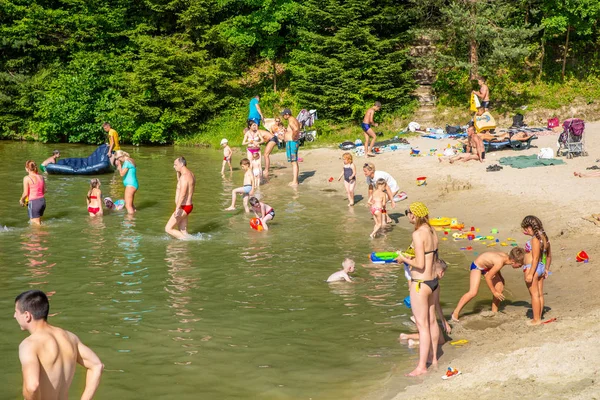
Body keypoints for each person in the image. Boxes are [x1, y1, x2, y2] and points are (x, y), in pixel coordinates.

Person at [14, 290, 103, 400]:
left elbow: (32, 386)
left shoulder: (29, 344)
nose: (14, 316)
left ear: (27, 315)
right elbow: (97, 365)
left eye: (16, 312)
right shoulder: (70, 337)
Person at [396, 202, 440, 376]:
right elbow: (431, 258)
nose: (408, 216)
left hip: (420, 283)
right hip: (433, 282)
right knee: (432, 321)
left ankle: (421, 366)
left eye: (408, 213)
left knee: (422, 326)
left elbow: (420, 264)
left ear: (413, 215)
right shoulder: (432, 231)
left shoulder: (417, 234)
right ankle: (434, 358)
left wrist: (403, 258)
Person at [451, 248, 525, 322]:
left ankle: (494, 312)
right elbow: (488, 277)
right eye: (520, 264)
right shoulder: (500, 261)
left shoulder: (506, 257)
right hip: (478, 266)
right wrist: (494, 292)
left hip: (488, 267)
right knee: (473, 292)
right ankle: (455, 313)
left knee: (500, 286)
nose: (521, 266)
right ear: (513, 261)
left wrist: (501, 278)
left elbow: (495, 267)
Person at [399, 259, 452, 345]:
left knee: (437, 338)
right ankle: (407, 337)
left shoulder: (423, 280)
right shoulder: (435, 285)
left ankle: (414, 341)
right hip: (427, 315)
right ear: (441, 272)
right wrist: (444, 321)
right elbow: (437, 304)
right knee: (436, 338)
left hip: (419, 311)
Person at [520, 215, 552, 325]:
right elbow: (548, 256)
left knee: (534, 295)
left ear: (530, 227)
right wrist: (546, 269)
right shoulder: (545, 238)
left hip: (532, 268)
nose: (525, 231)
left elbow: (535, 258)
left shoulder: (535, 239)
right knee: (539, 294)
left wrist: (530, 273)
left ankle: (536, 319)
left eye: (525, 228)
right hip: (541, 267)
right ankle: (539, 315)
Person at [165, 157, 196, 239]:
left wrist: (177, 208)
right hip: (188, 206)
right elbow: (181, 183)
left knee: (168, 228)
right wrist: (178, 172)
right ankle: (184, 249)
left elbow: (182, 194)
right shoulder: (191, 174)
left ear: (181, 164)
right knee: (182, 230)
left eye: (175, 165)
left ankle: (189, 241)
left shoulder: (184, 177)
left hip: (183, 207)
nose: (174, 166)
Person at [19, 161, 46, 225]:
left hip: (34, 203)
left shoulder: (27, 178)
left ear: (27, 168)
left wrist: (21, 200)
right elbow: (45, 190)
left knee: (36, 224)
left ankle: (46, 233)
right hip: (42, 201)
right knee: (38, 221)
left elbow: (25, 193)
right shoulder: (41, 176)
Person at [114, 150, 138, 214]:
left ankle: (129, 221)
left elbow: (122, 174)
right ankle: (134, 218)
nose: (118, 160)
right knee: (131, 205)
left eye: (117, 158)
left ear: (121, 156)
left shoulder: (127, 162)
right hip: (133, 184)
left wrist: (119, 166)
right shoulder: (130, 160)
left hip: (130, 185)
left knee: (127, 205)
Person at [282, 108, 300, 186]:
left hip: (292, 143)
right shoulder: (294, 119)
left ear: (287, 114)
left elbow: (295, 129)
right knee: (294, 161)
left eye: (283, 115)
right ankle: (295, 180)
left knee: (293, 162)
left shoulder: (290, 120)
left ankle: (295, 181)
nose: (283, 116)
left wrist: (293, 136)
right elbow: (299, 126)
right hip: (294, 142)